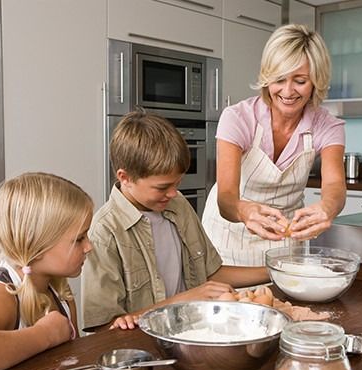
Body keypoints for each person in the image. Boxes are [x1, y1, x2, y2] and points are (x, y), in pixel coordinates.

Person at [81, 109, 269, 332]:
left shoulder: (177, 205)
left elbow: (210, 273)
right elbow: (104, 328)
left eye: (177, 184)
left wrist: (274, 271)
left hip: (196, 332)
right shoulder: (104, 233)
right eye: (162, 187)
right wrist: (185, 299)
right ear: (125, 178)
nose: (172, 193)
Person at [202, 24, 347, 266]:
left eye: (300, 81)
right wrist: (243, 211)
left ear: (315, 81)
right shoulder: (238, 118)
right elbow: (226, 196)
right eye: (279, 79)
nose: (288, 91)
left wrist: (327, 208)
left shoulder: (327, 125)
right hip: (228, 239)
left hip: (285, 243)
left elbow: (334, 185)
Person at [0, 172, 93, 370]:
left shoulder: (59, 289)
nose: (89, 246)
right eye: (80, 238)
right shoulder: (0, 294)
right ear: (36, 244)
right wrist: (45, 335)